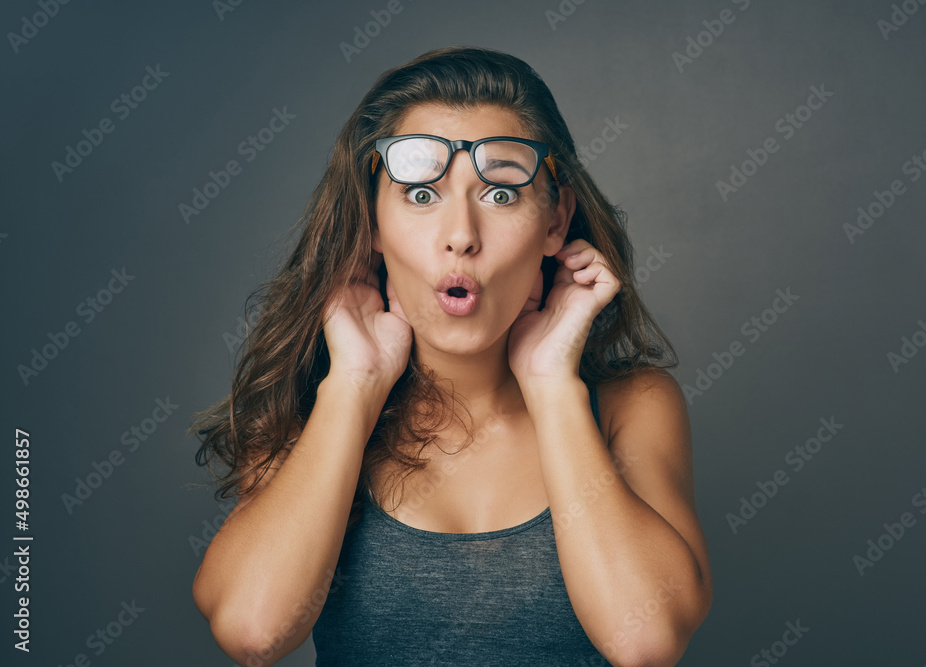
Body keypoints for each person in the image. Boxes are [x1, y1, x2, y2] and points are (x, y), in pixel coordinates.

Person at [189, 45, 712, 666]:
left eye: (499, 195)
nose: (461, 234)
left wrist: (551, 384)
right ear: (371, 225)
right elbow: (254, 631)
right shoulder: (310, 407)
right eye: (419, 196)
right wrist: (353, 385)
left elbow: (644, 642)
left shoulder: (630, 406)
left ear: (554, 221)